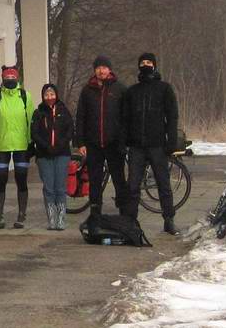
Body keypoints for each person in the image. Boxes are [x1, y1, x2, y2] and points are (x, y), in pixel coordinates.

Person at [123, 52, 180, 235]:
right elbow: (125, 119)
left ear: (154, 65)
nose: (145, 65)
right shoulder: (132, 91)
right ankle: (131, 220)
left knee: (163, 184)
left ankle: (169, 219)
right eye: (142, 62)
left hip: (157, 145)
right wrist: (123, 142)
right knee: (133, 186)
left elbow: (172, 116)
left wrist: (171, 142)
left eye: (148, 62)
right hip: (136, 146)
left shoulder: (164, 89)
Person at [75, 55, 128, 221]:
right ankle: (95, 211)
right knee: (95, 180)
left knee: (119, 178)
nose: (101, 70)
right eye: (98, 67)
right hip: (93, 144)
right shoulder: (87, 90)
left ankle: (124, 211)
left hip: (114, 143)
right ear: (94, 70)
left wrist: (124, 140)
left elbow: (126, 117)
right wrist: (80, 142)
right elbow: (80, 116)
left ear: (109, 69)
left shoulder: (119, 89)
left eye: (104, 67)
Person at [0, 66, 35, 229]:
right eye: (6, 79)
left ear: (17, 79)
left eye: (12, 79)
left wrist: (31, 142)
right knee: (1, 180)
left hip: (22, 145)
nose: (10, 82)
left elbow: (30, 120)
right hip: (2, 144)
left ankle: (21, 214)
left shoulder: (25, 96)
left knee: (21, 180)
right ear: (2, 79)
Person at [31, 84, 74, 230]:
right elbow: (34, 133)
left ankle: (61, 219)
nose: (50, 97)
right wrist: (45, 146)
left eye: (52, 94)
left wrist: (60, 145)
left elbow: (70, 130)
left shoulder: (63, 111)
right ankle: (52, 219)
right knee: (49, 187)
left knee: (60, 187)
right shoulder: (38, 113)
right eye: (46, 95)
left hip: (62, 154)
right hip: (44, 155)